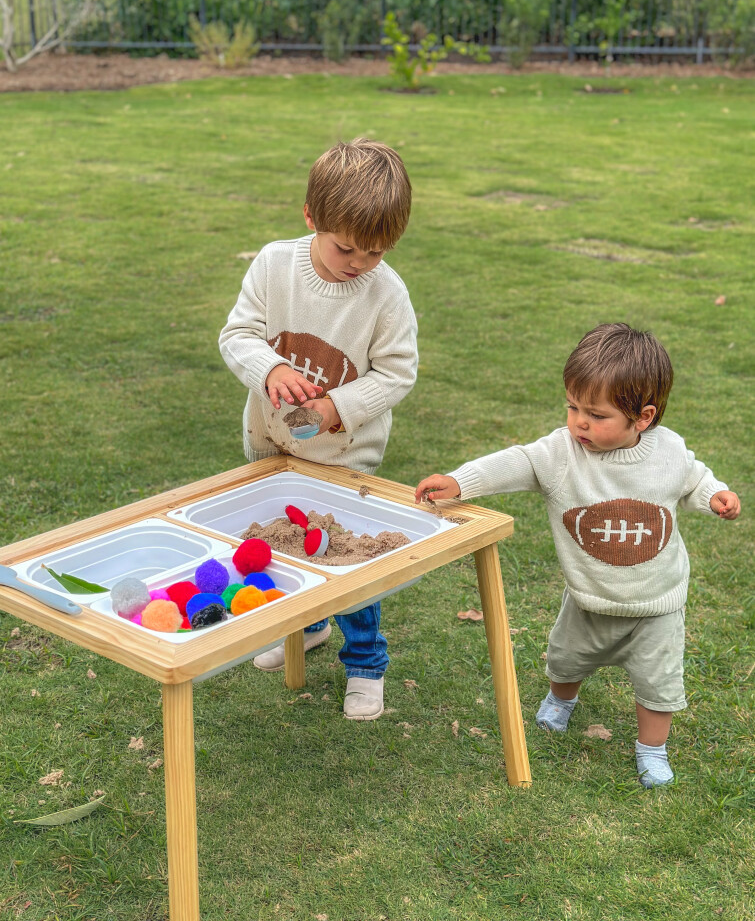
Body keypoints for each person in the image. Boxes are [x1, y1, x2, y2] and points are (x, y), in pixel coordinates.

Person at [415, 323, 741, 787]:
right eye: (572, 407)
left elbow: (693, 478)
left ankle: (652, 750)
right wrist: (461, 481)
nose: (579, 422)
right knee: (565, 661)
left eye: (596, 414)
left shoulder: (667, 451)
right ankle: (562, 701)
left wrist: (715, 495)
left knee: (658, 687)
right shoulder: (561, 453)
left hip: (656, 605)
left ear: (643, 418)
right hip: (587, 598)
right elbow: (517, 461)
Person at [219, 137, 418, 721]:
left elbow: (398, 373)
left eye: (376, 252)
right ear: (312, 217)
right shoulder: (274, 264)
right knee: (286, 539)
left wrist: (339, 408)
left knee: (346, 559)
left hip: (344, 454)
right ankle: (303, 628)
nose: (359, 263)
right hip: (271, 441)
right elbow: (237, 337)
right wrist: (270, 367)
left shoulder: (387, 294)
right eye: (347, 247)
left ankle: (365, 662)